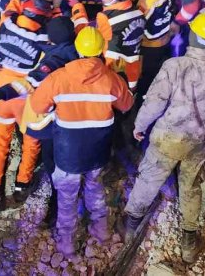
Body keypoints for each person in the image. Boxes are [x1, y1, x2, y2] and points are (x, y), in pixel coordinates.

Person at [123, 13, 205, 263]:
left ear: (193, 36)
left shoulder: (174, 66)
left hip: (167, 138)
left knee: (150, 179)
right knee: (190, 186)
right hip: (198, 142)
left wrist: (140, 126)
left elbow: (155, 103)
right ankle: (188, 241)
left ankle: (131, 226)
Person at [29, 27, 134, 257]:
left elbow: (37, 107)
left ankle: (66, 242)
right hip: (98, 151)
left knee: (66, 198)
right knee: (95, 188)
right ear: (100, 51)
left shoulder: (58, 78)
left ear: (77, 49)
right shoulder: (110, 79)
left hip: (68, 153)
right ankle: (102, 230)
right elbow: (126, 105)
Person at [0, 0, 53, 214]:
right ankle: (22, 185)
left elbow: (10, 7)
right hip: (24, 100)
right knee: (31, 142)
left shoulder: (6, 24)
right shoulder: (44, 39)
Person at [133, 0, 175, 111]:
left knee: (144, 77)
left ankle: (141, 106)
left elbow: (140, 17)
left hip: (149, 43)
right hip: (163, 38)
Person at [96, 0, 145, 90]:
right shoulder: (139, 11)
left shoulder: (104, 17)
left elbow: (98, 44)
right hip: (134, 70)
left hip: (111, 70)